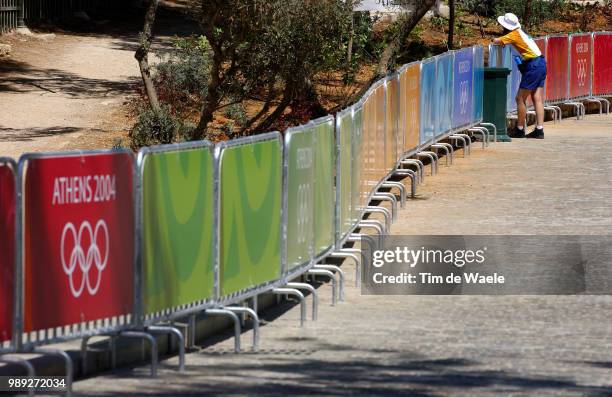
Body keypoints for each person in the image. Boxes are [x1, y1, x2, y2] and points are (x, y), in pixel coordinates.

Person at [494, 13, 547, 139]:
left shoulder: (513, 34)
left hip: (533, 65)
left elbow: (498, 41)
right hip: (540, 62)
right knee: (536, 97)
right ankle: (539, 130)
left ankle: (519, 129)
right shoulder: (521, 32)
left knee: (520, 99)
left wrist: (494, 40)